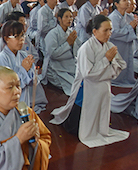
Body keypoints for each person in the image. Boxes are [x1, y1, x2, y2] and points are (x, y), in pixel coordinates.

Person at [50, 14, 130, 147]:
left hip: (103, 86)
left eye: (110, 30)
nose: (109, 33)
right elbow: (88, 73)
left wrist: (109, 67)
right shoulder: (86, 48)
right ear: (95, 31)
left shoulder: (109, 45)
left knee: (100, 112)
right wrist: (106, 61)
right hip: (87, 87)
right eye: (106, 30)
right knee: (77, 124)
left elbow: (121, 64)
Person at [0, 20, 47, 113]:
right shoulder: (1, 59)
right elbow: (6, 86)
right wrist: (24, 70)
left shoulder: (23, 55)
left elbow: (34, 81)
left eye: (22, 35)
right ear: (6, 39)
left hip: (24, 100)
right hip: (8, 103)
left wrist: (31, 70)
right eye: (16, 37)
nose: (21, 39)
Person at [42, 7, 77, 95]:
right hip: (56, 68)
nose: (69, 19)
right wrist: (68, 43)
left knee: (84, 80)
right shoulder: (53, 34)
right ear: (59, 19)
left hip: (69, 64)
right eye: (66, 17)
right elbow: (53, 54)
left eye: (71, 17)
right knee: (75, 87)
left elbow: (78, 50)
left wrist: (73, 45)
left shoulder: (70, 32)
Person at [108, 0, 138, 87]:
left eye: (128, 0)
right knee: (118, 62)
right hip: (117, 44)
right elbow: (114, 33)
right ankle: (117, 79)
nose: (128, 2)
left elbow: (134, 31)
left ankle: (126, 78)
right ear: (117, 4)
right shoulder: (113, 17)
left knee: (126, 61)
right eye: (124, 0)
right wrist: (129, 28)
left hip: (126, 44)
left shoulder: (129, 16)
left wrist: (133, 28)